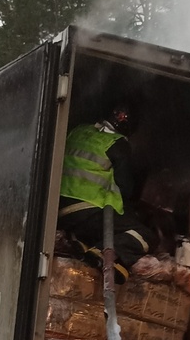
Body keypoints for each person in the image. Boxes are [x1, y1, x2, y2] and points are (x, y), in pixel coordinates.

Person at [58, 103, 153, 284]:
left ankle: (82, 244)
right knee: (145, 235)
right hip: (86, 208)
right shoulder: (118, 144)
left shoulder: (77, 130)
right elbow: (125, 189)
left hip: (60, 210)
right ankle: (101, 252)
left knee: (101, 225)